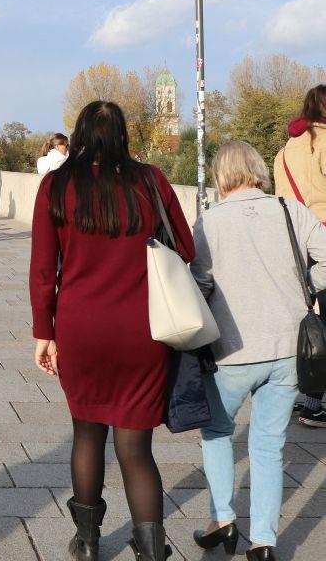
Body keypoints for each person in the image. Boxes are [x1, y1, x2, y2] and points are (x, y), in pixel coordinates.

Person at [29, 101, 194, 561]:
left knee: (86, 435)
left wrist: (44, 332)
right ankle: (150, 550)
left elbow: (43, 271)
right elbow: (186, 246)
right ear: (123, 135)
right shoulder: (151, 180)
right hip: (143, 331)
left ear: (79, 135)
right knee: (136, 448)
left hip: (81, 329)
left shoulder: (56, 187)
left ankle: (86, 541)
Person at [190, 141, 326, 561]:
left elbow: (200, 284)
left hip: (231, 350)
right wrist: (310, 290)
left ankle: (224, 520)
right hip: (288, 348)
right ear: (257, 170)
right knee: (269, 446)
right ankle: (264, 541)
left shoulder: (208, 223)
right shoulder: (291, 210)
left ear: (220, 175)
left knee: (216, 433)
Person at [274, 84, 326, 428]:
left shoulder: (285, 149)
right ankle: (314, 403)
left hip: (291, 236)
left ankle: (302, 392)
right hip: (322, 230)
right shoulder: (322, 142)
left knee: (304, 317)